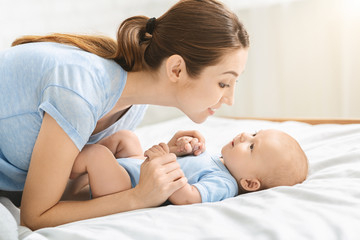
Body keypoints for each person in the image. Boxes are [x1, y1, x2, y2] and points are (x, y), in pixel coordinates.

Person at [0, 0, 250, 230]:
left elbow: (70, 171)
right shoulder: (81, 91)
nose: (230, 100)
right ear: (176, 69)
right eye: (224, 83)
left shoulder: (131, 106)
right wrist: (138, 197)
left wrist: (161, 158)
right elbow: (35, 216)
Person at [69, 129, 308, 204]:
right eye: (254, 133)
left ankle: (60, 176)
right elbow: (185, 164)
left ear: (250, 183)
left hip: (127, 186)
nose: (244, 135)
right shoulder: (217, 158)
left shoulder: (224, 184)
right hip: (136, 165)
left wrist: (167, 162)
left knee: (98, 155)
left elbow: (188, 198)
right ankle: (76, 173)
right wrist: (179, 148)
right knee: (126, 138)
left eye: (252, 147)